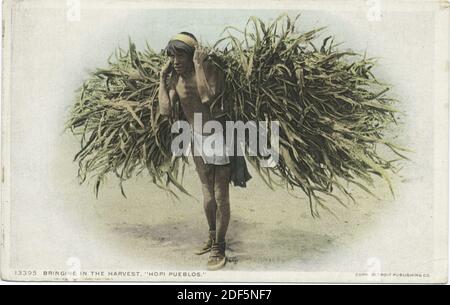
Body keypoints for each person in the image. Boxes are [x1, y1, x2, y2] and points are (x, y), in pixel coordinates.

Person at [158, 32, 251, 271]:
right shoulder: (175, 80)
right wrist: (162, 79)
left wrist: (199, 65)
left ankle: (219, 246)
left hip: (219, 137)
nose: (176, 61)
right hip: (197, 139)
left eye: (181, 55)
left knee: (221, 196)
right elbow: (166, 112)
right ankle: (212, 236)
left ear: (192, 55)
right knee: (207, 195)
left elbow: (208, 97)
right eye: (172, 56)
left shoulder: (209, 69)